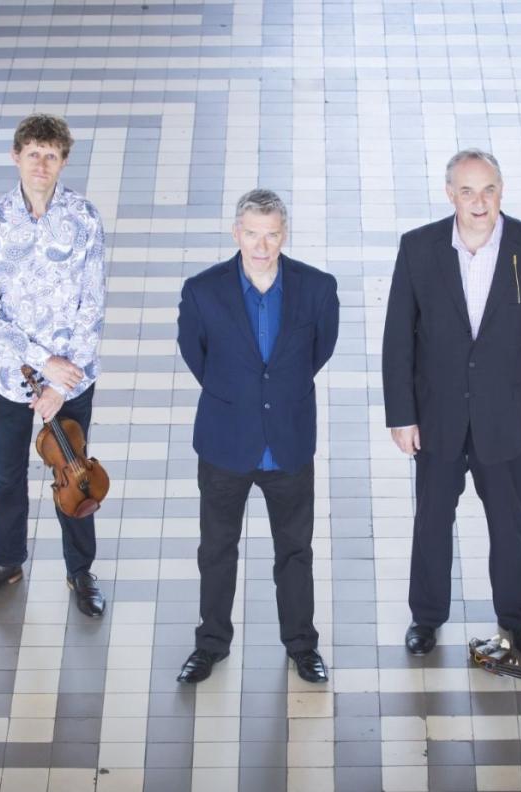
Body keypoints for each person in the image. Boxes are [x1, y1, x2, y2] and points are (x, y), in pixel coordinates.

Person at [382, 149, 521, 658]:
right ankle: (425, 619)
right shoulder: (419, 248)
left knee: (508, 524)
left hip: (504, 416)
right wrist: (401, 414)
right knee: (431, 520)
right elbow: (398, 336)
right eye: (467, 191)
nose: (478, 201)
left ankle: (518, 621)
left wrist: (508, 359)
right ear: (450, 195)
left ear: (501, 190)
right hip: (437, 415)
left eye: (488, 189)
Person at [174, 189, 340, 684]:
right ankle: (210, 645)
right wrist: (239, 395)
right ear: (236, 233)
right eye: (252, 234)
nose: (262, 245)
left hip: (288, 443)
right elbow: (195, 355)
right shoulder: (202, 291)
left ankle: (302, 646)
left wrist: (274, 393)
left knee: (295, 550)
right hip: (226, 443)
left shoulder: (317, 288)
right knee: (217, 549)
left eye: (271, 235)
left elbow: (320, 350)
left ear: (283, 234)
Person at [0, 113, 108, 616]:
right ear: (16, 157)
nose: (41, 164)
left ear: (63, 160)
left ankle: (80, 571)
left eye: (51, 155)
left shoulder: (85, 218)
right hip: (9, 378)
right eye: (33, 154)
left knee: (76, 472)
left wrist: (60, 386)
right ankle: (6, 562)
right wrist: (41, 361)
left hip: (71, 381)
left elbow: (92, 306)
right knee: (8, 480)